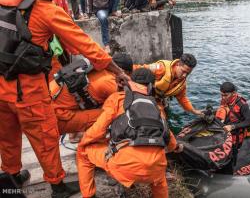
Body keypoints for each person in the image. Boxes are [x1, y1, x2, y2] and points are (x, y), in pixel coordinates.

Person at [0, 0, 129, 197]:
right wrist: (118, 71)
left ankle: (11, 179)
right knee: (45, 138)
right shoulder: (44, 8)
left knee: (7, 136)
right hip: (28, 90)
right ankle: (57, 186)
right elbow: (84, 44)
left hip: (1, 84)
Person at [77, 68, 183, 198]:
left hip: (124, 167)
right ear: (150, 86)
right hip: (155, 169)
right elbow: (170, 141)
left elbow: (98, 130)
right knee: (159, 180)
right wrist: (177, 147)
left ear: (130, 82)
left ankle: (89, 195)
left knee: (83, 153)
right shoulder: (157, 106)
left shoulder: (117, 98)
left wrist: (84, 142)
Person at [50, 53, 133, 143]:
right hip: (54, 118)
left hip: (48, 103)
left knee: (85, 98)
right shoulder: (110, 83)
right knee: (111, 114)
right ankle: (94, 141)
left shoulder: (97, 66)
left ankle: (75, 134)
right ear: (124, 72)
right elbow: (124, 105)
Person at [133, 53, 203, 119]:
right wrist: (124, 74)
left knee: (162, 120)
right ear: (178, 64)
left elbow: (182, 99)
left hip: (158, 101)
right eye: (183, 71)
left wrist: (194, 111)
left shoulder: (181, 84)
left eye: (188, 73)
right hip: (143, 95)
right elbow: (139, 69)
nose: (184, 75)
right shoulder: (161, 68)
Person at [215, 82, 250, 174]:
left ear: (233, 93)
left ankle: (230, 172)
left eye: (225, 95)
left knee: (232, 156)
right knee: (223, 154)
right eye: (221, 95)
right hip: (225, 134)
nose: (223, 98)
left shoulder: (242, 104)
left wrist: (232, 126)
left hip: (236, 137)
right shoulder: (224, 100)